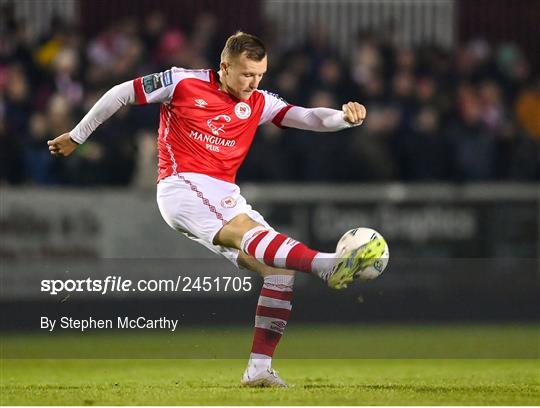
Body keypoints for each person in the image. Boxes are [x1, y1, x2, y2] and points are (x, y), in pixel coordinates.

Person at [47, 32, 385, 387]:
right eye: (246, 75)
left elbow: (307, 117)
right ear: (224, 67)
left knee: (277, 271)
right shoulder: (183, 82)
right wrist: (77, 135)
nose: (254, 83)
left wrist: (344, 118)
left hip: (223, 194)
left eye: (260, 75)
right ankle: (326, 265)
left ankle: (258, 368)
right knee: (255, 235)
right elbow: (122, 92)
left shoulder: (258, 101)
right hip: (182, 186)